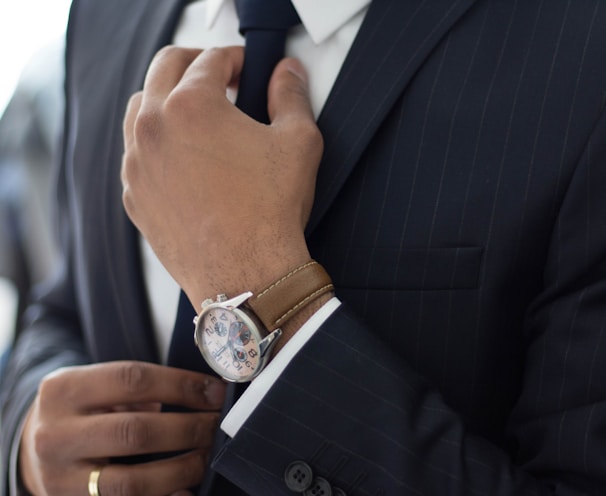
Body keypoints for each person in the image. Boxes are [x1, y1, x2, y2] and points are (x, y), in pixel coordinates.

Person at [2, 0, 606, 494]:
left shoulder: (582, 50)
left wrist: (263, 291)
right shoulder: (103, 13)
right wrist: (27, 441)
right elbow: (66, 302)